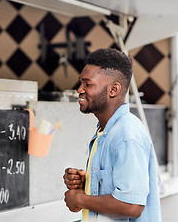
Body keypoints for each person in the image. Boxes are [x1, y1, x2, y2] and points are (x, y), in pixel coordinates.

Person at [63, 48, 161, 222]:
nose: (79, 90)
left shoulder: (126, 135)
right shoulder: (106, 131)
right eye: (81, 83)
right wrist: (87, 182)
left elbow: (131, 206)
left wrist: (80, 199)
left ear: (113, 89)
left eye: (88, 84)